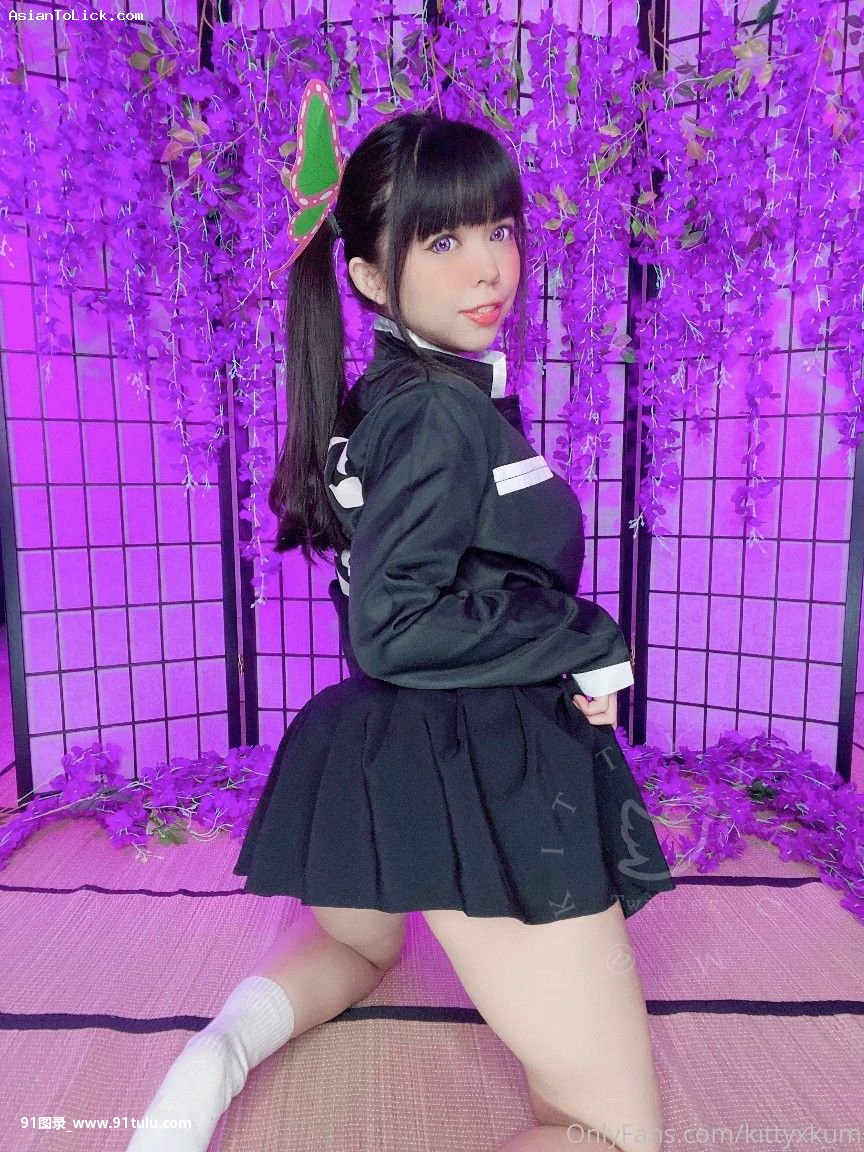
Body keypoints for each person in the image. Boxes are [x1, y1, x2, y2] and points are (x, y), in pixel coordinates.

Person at [127, 106, 676, 1152]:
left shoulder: (392, 391)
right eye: (443, 239)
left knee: (361, 948)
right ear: (372, 278)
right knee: (611, 1134)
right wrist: (584, 634)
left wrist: (558, 652)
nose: (489, 266)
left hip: (376, 744)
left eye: (499, 229)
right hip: (476, 762)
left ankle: (216, 1058)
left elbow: (434, 584)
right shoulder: (437, 412)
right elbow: (392, 624)